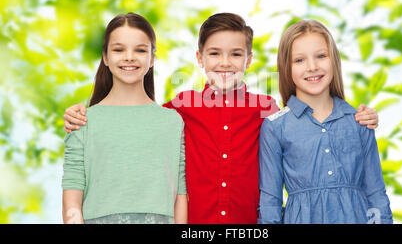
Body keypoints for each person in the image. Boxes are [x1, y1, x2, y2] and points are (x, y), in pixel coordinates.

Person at [62, 13, 379, 224]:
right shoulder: (178, 109)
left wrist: (360, 115)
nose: (225, 63)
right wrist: (81, 113)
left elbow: (310, 120)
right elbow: (135, 118)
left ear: (249, 59)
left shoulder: (267, 108)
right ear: (199, 59)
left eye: (236, 54)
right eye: (214, 53)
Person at [258, 20, 393, 224]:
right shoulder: (275, 127)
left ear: (334, 60)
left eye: (321, 56)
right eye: (299, 60)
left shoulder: (359, 121)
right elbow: (270, 202)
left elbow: (376, 194)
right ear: (287, 67)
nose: (312, 67)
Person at [62, 12, 187, 224]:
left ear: (152, 59)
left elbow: (180, 195)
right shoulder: (83, 121)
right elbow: (72, 199)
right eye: (119, 49)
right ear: (105, 57)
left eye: (140, 50)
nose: (129, 57)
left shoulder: (172, 121)